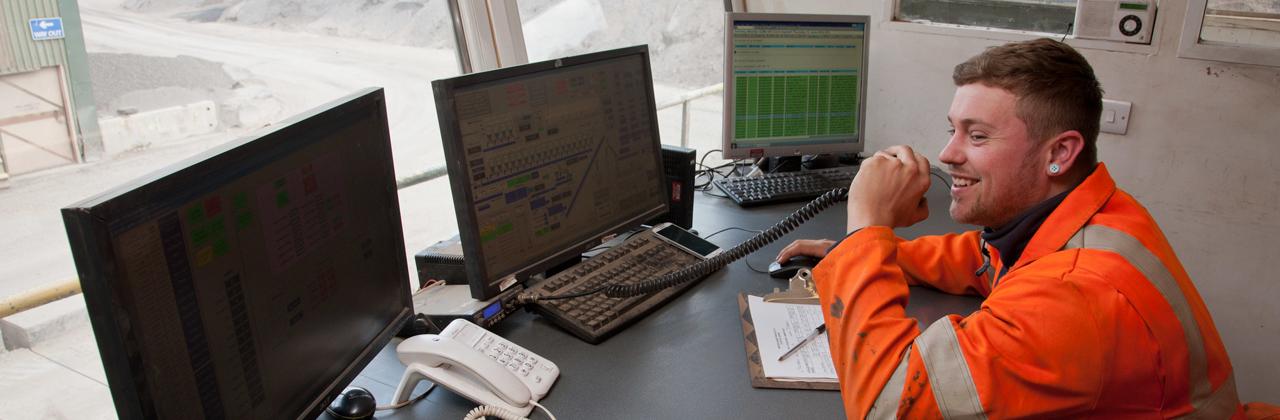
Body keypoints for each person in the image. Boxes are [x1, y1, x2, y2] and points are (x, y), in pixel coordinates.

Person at [776, 38, 1257, 418]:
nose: (948, 154)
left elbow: (889, 404)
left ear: (1058, 154)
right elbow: (984, 260)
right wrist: (871, 252)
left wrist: (868, 225)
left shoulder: (1075, 294)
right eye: (953, 129)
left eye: (978, 135)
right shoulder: (1088, 213)